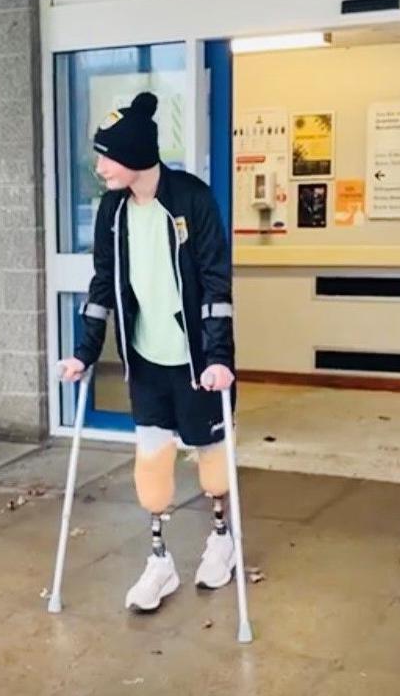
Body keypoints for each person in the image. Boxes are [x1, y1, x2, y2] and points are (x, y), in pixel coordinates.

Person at [59, 91, 236, 612]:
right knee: (152, 468)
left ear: (134, 157)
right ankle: (160, 561)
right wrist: (84, 353)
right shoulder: (112, 210)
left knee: (212, 463)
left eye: (105, 157)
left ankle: (221, 539)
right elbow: (102, 283)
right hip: (146, 360)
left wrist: (218, 357)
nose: (98, 168)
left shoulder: (191, 199)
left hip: (198, 361)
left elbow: (214, 281)